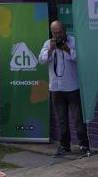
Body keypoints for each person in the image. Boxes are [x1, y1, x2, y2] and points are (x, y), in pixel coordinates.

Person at [38, 20, 91, 158]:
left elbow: (82, 59)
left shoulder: (73, 42)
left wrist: (67, 49)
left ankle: (84, 146)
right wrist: (50, 49)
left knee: (78, 119)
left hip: (72, 87)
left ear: (65, 30)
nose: (58, 35)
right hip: (56, 88)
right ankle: (64, 146)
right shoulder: (48, 43)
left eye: (60, 32)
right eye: (54, 33)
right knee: (61, 119)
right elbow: (41, 60)